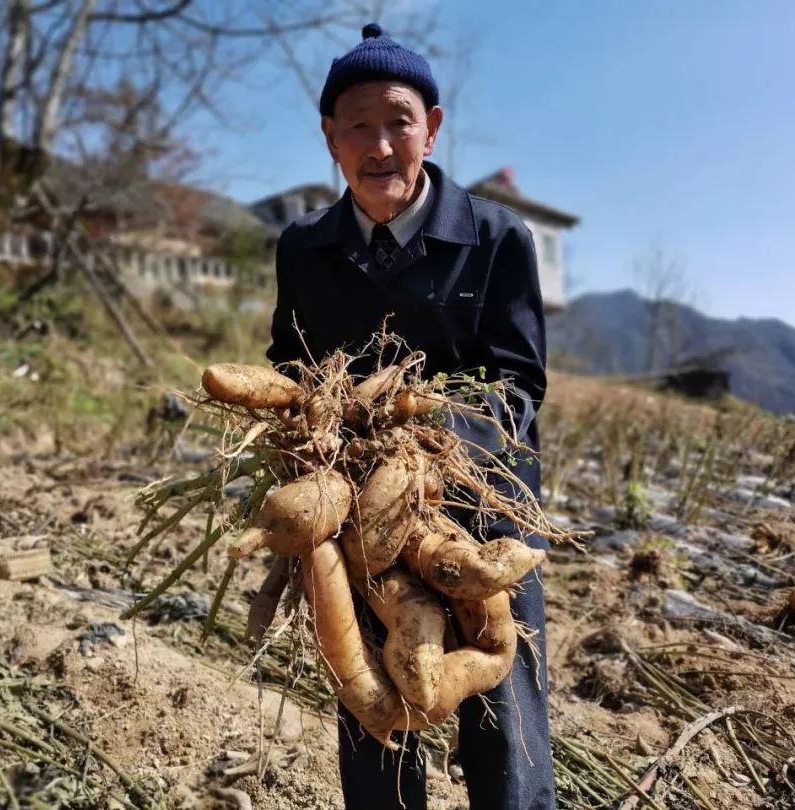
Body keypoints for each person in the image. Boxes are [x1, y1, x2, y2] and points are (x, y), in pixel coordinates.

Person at [265, 23, 556, 810]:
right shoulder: (303, 249)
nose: (381, 143)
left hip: (482, 510)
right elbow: (289, 364)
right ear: (331, 139)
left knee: (503, 696)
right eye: (358, 124)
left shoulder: (497, 238)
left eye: (399, 121)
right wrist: (304, 430)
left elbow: (521, 385)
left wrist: (426, 438)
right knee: (373, 701)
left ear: (431, 128)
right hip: (358, 519)